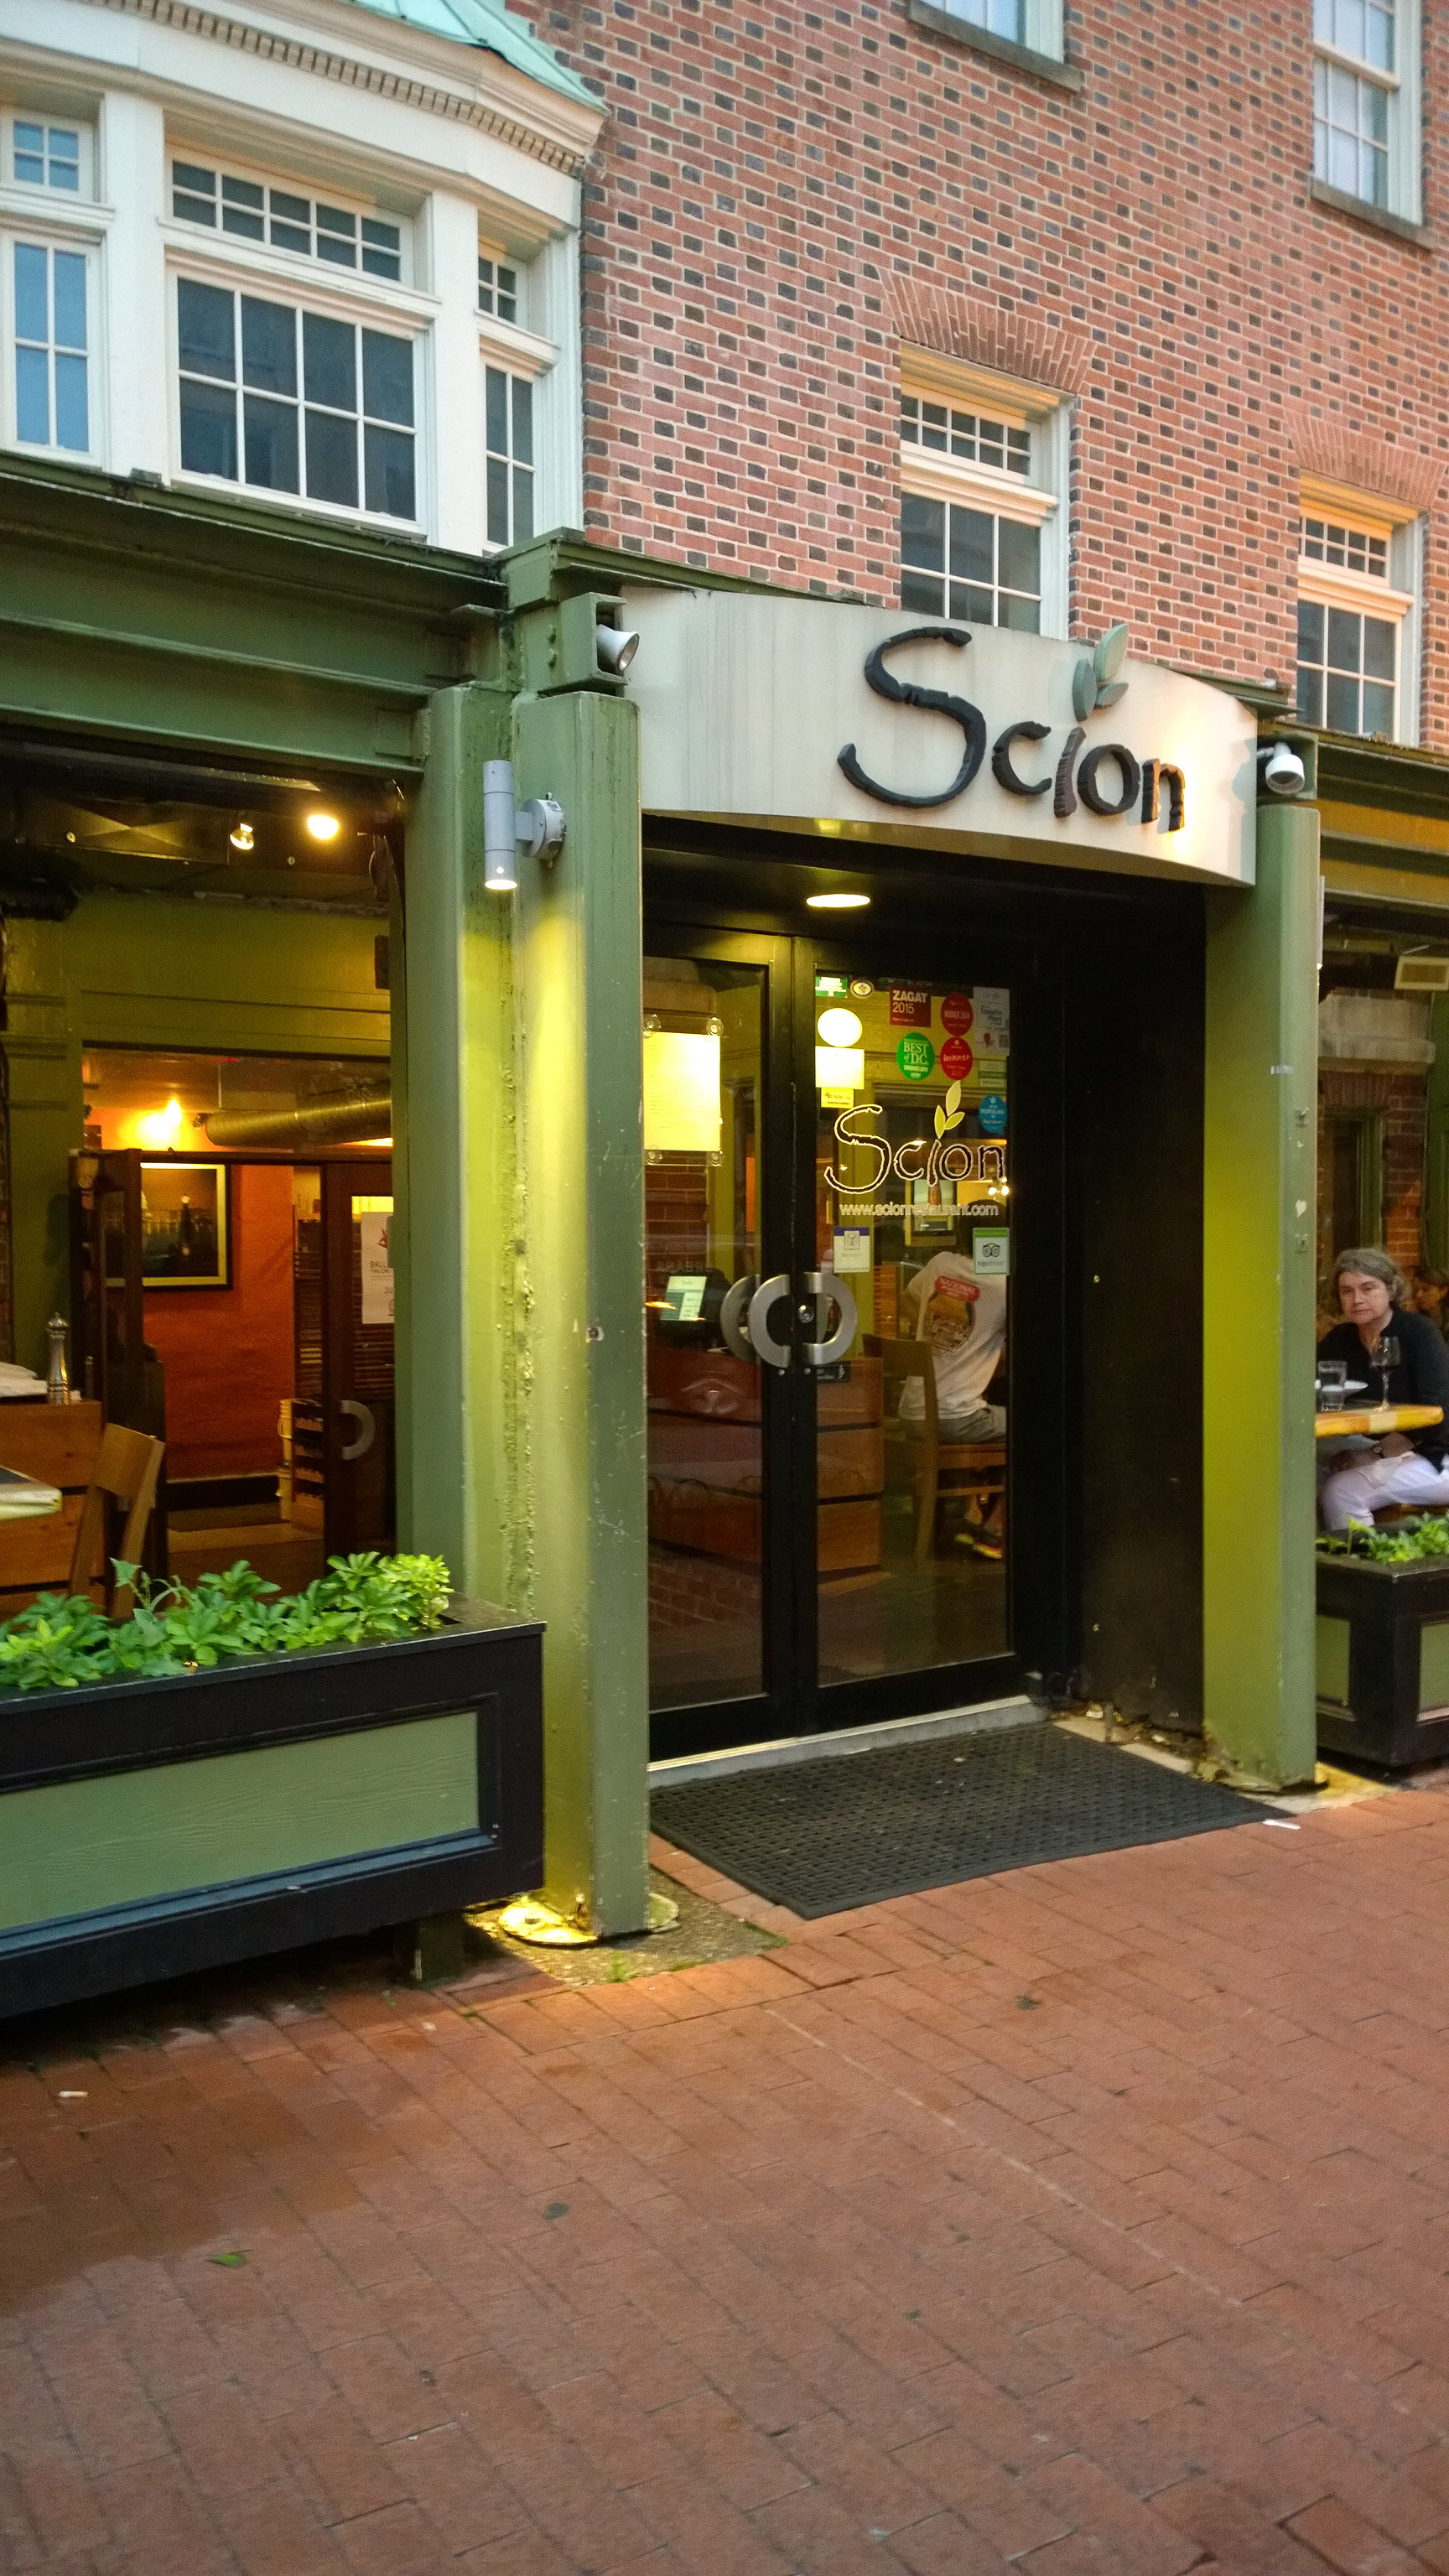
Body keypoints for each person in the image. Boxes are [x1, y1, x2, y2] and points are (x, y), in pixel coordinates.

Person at [1318, 1247, 1449, 1531]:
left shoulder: (1418, 1332)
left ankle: (1361, 1559)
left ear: (1391, 1290)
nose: (1357, 1299)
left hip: (1435, 1454)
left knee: (1342, 1491)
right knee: (1301, 1470)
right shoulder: (1340, 1339)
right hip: (1370, 1442)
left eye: (1368, 1288)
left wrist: (1375, 1454)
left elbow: (1438, 1410)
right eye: (1347, 1291)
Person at [897, 1247, 1007, 1442]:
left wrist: (931, 1333)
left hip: (911, 1415)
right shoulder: (1002, 1284)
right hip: (957, 1419)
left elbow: (906, 1298)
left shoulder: (941, 1263)